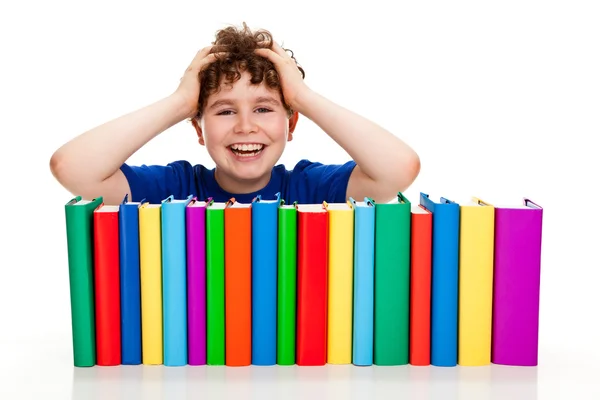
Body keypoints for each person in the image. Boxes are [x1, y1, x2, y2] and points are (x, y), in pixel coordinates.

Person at [50, 23, 421, 206]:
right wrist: (180, 103)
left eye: (263, 108)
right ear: (199, 129)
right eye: (225, 111)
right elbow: (72, 168)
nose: (246, 126)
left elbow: (398, 170)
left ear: (291, 124)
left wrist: (304, 97)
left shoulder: (309, 189)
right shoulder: (177, 191)